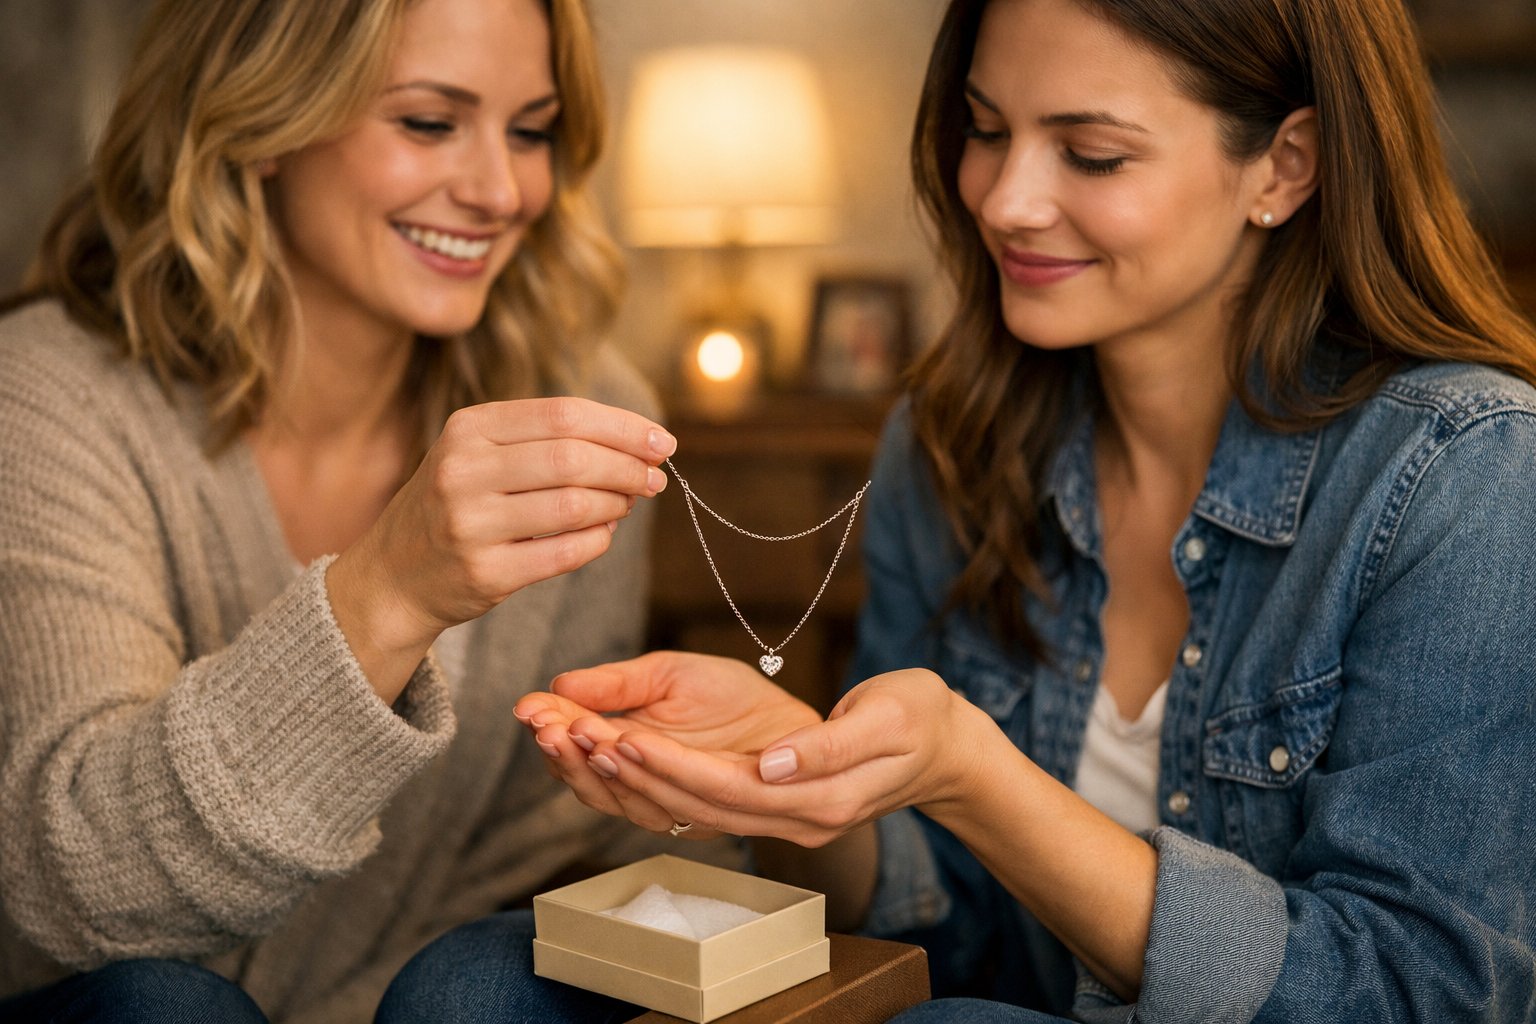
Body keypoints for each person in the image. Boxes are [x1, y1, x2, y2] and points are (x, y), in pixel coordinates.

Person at [517, 0, 1536, 1019]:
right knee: (487, 977)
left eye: (1091, 154)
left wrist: (973, 771)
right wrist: (797, 782)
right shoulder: (948, 441)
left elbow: (1416, 993)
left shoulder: (1463, 472)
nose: (1005, 199)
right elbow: (943, 925)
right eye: (989, 130)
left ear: (1283, 166)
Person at [0, 0, 716, 1020]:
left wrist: (718, 795)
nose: (498, 190)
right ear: (261, 121)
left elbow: (558, 855)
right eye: (429, 122)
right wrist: (386, 591)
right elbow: (82, 901)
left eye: (531, 130)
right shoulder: (44, 401)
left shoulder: (587, 413)